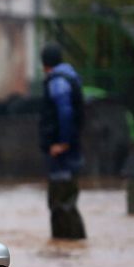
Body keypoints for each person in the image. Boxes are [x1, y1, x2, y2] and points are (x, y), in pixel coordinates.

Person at [39, 43, 86, 240]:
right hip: (68, 151)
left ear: (45, 64)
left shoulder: (58, 82)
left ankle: (67, 243)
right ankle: (68, 246)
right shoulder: (70, 78)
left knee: (61, 202)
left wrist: (63, 142)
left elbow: (65, 113)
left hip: (62, 153)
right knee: (64, 200)